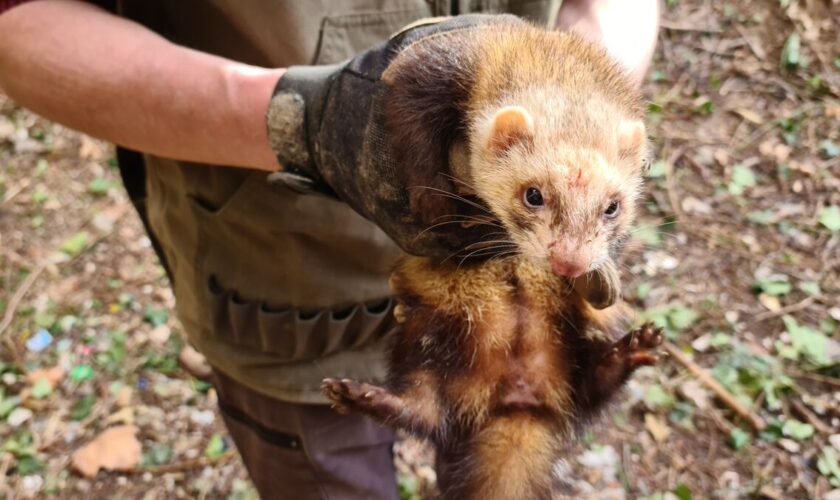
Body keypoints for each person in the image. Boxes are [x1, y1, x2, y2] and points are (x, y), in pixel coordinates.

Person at [0, 1, 658, 498]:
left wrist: (593, 84)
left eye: (610, 211)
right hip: (281, 285)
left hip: (502, 288)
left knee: (513, 430)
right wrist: (295, 121)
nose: (580, 254)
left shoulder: (561, 208)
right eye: (541, 202)